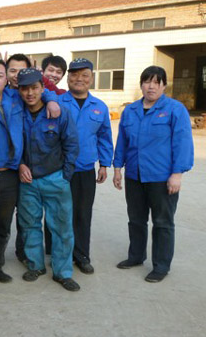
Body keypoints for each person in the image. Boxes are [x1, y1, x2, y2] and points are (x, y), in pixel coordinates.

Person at [0, 59, 60, 284]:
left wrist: (51, 99)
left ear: (7, 80)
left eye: (0, 76)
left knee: (2, 226)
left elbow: (41, 92)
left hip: (10, 173)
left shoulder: (15, 98)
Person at [113, 66, 193, 283]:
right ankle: (136, 256)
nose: (151, 86)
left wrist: (177, 174)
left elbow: (183, 143)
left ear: (164, 86)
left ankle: (161, 266)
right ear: (141, 84)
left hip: (161, 177)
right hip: (134, 175)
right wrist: (117, 168)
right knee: (136, 219)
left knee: (162, 222)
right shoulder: (130, 111)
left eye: (157, 82)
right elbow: (122, 142)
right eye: (147, 82)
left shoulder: (175, 110)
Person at [17, 68, 80, 291]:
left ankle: (63, 272)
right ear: (19, 90)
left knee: (62, 228)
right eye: (25, 88)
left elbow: (71, 144)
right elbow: (11, 144)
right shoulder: (16, 113)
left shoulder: (59, 112)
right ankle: (35, 265)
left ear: (43, 88)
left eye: (34, 88)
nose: (30, 93)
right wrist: (20, 164)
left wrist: (65, 176)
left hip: (55, 178)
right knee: (29, 225)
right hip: (27, 181)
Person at [57, 59, 113, 274]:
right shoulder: (57, 102)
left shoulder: (99, 107)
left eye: (84, 75)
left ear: (91, 79)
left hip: (85, 170)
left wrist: (104, 164)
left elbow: (104, 137)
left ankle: (81, 256)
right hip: (59, 170)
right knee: (59, 214)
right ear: (67, 78)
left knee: (82, 214)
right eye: (74, 75)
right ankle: (58, 255)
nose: (78, 79)